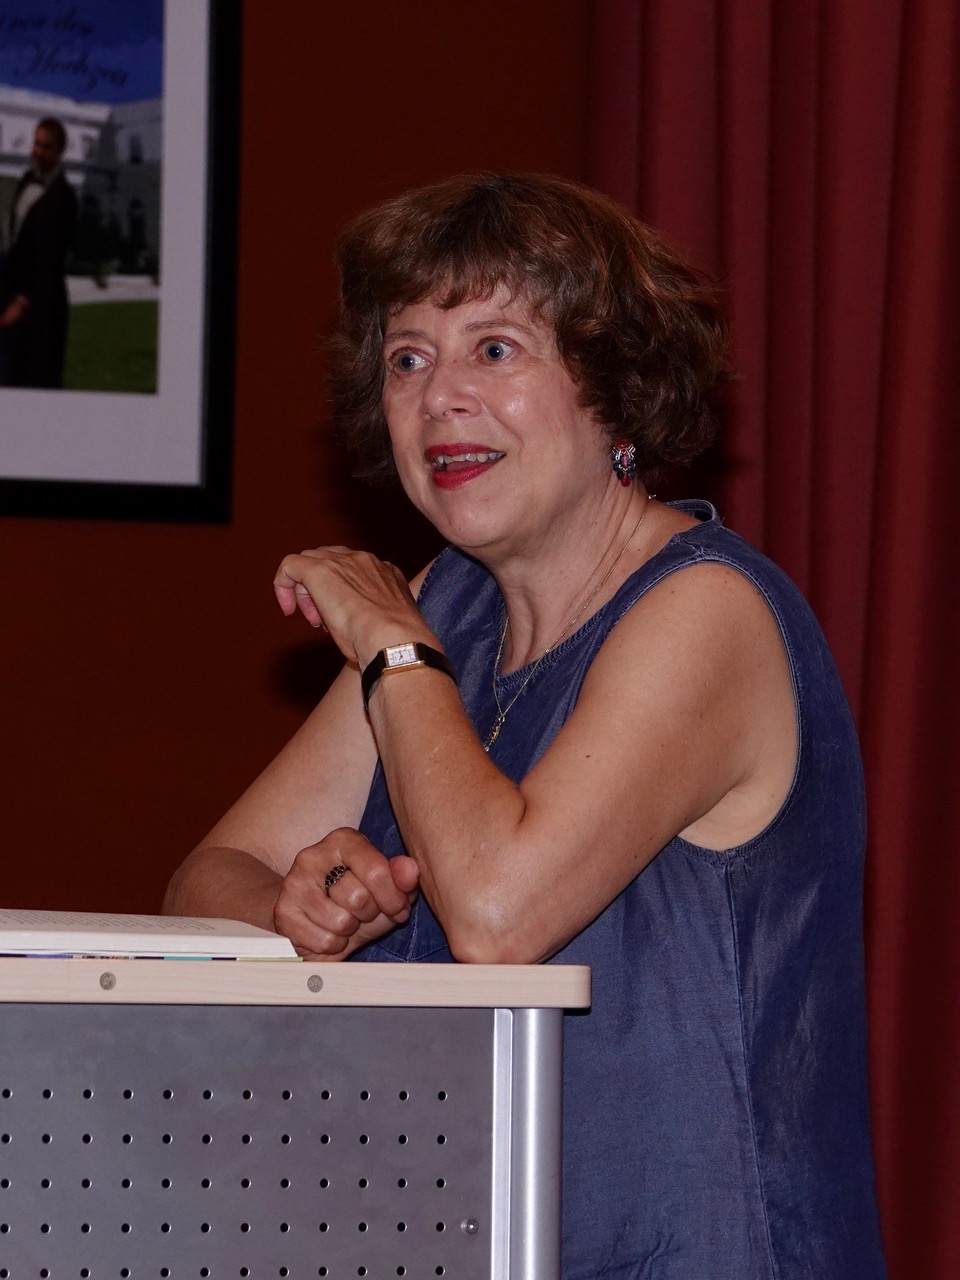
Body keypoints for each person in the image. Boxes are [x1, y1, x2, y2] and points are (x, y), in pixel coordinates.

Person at [164, 174, 887, 1278]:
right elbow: (203, 882)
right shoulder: (444, 605)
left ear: (613, 385)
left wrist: (392, 646)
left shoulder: (707, 609)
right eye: (407, 359)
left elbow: (500, 916)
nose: (439, 397)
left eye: (493, 349)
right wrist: (295, 907)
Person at [0, 117, 78, 388]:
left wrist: (20, 303)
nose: (38, 151)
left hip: (43, 307)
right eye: (36, 144)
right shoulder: (26, 179)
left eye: (47, 147)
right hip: (12, 293)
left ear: (60, 151)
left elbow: (50, 261)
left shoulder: (65, 199)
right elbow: (19, 240)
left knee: (38, 380)